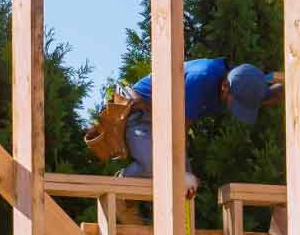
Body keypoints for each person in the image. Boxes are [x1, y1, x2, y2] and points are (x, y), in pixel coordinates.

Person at [116, 58, 275, 197]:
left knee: (187, 187)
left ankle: (178, 230)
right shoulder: (201, 79)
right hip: (141, 113)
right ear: (225, 86)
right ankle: (120, 186)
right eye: (235, 104)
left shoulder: (244, 85)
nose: (234, 108)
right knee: (160, 167)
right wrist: (181, 172)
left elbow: (271, 94)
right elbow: (177, 130)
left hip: (168, 120)